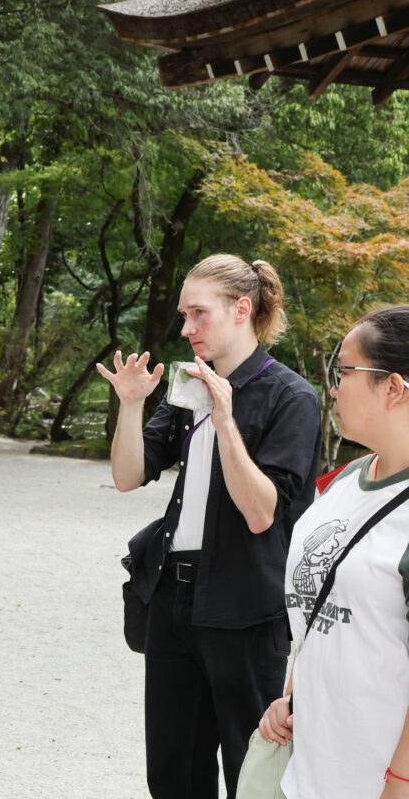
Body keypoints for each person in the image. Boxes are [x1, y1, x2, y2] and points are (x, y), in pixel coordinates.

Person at [97, 254, 321, 798]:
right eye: (183, 315)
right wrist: (130, 405)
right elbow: (129, 475)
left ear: (241, 309)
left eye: (198, 313)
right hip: (174, 600)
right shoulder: (190, 385)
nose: (186, 328)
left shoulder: (291, 397)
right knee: (174, 773)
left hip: (246, 608)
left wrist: (225, 421)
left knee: (253, 771)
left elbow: (261, 512)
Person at [259, 305, 409, 799]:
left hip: (374, 780)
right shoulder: (344, 481)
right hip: (307, 769)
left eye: (343, 372)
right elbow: (317, 604)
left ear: (394, 387)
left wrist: (400, 783)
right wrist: (291, 697)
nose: (333, 387)